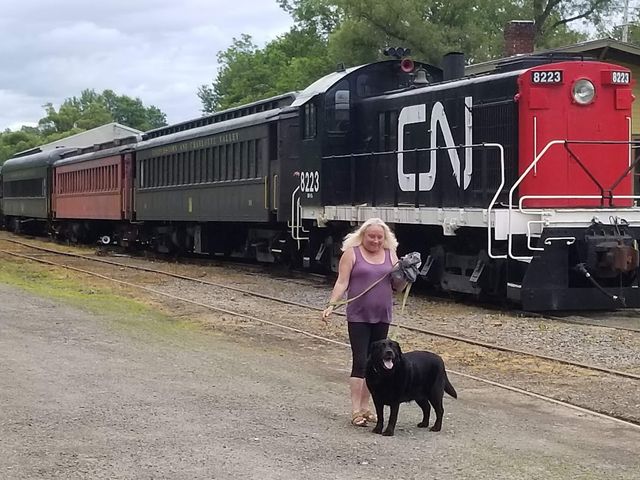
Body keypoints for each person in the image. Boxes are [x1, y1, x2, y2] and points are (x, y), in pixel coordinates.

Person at [322, 217, 406, 427]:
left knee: (376, 363)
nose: (375, 241)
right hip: (358, 316)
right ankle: (355, 410)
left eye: (379, 237)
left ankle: (367, 406)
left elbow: (397, 286)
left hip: (382, 315)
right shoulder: (352, 254)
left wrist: (407, 276)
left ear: (385, 238)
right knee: (360, 361)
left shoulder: (390, 254)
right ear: (363, 235)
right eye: (371, 236)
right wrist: (332, 304)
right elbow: (342, 282)